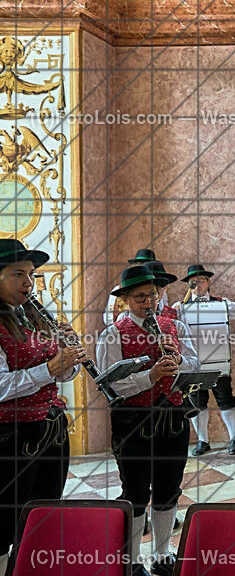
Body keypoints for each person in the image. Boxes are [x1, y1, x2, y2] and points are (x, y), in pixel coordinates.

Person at [97, 265, 200, 576]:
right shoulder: (112, 332)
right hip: (133, 421)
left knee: (169, 489)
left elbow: (195, 364)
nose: (147, 302)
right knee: (136, 492)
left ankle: (162, 553)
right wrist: (151, 376)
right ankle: (131, 559)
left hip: (173, 417)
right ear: (126, 300)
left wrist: (178, 359)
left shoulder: (174, 327)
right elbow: (112, 384)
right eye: (140, 297)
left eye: (152, 296)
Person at [0, 240, 85, 575]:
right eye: (18, 274)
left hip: (50, 431)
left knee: (44, 515)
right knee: (5, 524)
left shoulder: (33, 315)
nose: (28, 283)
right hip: (11, 437)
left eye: (31, 274)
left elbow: (62, 376)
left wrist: (69, 357)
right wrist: (48, 369)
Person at [173, 264, 235, 456]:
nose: (197, 285)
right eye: (192, 283)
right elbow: (171, 323)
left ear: (208, 282)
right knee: (198, 402)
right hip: (195, 363)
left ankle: (234, 438)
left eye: (200, 281)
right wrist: (177, 310)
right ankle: (203, 440)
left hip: (219, 361)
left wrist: (219, 305)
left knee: (226, 399)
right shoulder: (181, 307)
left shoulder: (221, 303)